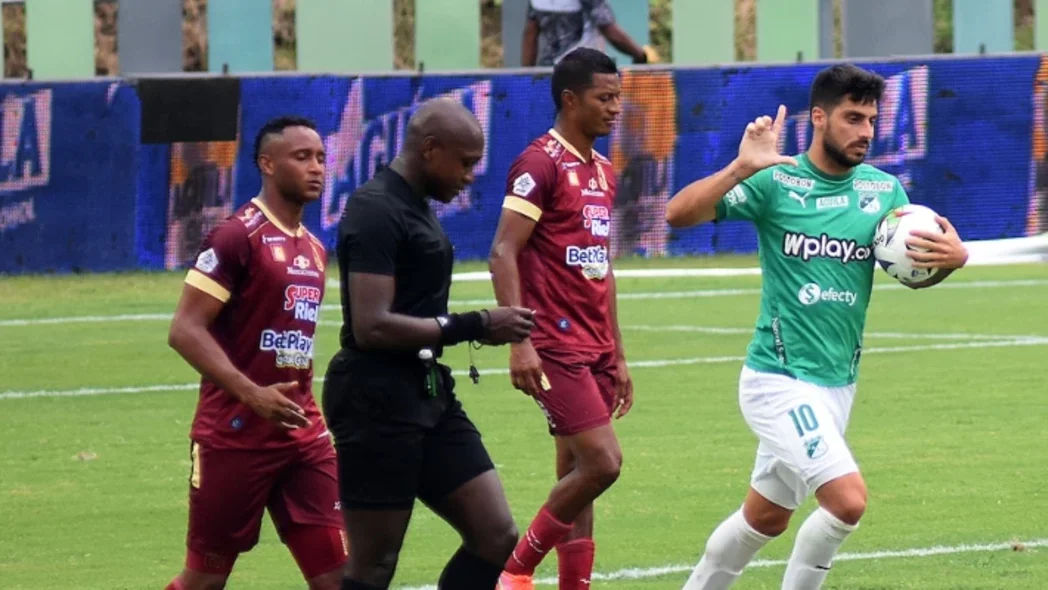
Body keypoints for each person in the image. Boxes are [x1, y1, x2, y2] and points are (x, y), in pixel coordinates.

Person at [665, 64, 970, 590]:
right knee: (847, 502)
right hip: (777, 380)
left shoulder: (885, 192)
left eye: (871, 119)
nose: (866, 132)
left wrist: (952, 259)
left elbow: (913, 274)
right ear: (820, 118)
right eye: (853, 118)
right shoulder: (776, 181)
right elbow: (677, 215)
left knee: (764, 519)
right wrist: (740, 167)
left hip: (837, 384)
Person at [321, 97, 536, 590]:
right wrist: (476, 324)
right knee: (374, 565)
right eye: (464, 164)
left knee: (496, 534)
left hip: (426, 390)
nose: (468, 177)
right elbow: (372, 326)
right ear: (429, 148)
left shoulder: (412, 206)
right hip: (375, 398)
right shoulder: (375, 209)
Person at [166, 116, 345, 590]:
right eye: (301, 157)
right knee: (204, 580)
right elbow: (185, 329)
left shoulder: (314, 248)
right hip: (234, 435)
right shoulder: (236, 236)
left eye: (321, 158)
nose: (316, 169)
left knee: (338, 578)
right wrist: (252, 394)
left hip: (301, 435)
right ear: (267, 164)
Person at [489, 47, 632, 590]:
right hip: (553, 342)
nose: (616, 108)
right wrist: (519, 342)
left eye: (618, 97)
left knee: (579, 477)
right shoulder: (539, 163)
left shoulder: (601, 171)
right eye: (605, 97)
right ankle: (516, 571)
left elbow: (602, 267)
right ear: (570, 100)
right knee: (603, 464)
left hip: (594, 345)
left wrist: (617, 351)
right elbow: (503, 252)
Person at [523, 0, 657, 67]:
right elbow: (610, 30)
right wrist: (640, 55)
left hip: (548, 72)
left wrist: (526, 77)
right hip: (583, 73)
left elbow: (531, 33)